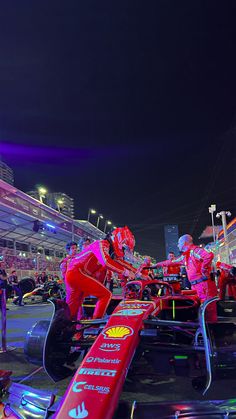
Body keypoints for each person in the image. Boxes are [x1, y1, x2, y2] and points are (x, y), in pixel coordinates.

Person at [65, 226, 136, 322]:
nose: (123, 250)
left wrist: (139, 272)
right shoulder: (102, 244)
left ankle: (72, 333)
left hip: (74, 275)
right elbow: (106, 262)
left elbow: (120, 262)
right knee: (105, 295)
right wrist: (127, 272)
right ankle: (94, 326)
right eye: (123, 247)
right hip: (78, 273)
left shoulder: (106, 249)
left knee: (73, 311)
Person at [151, 234, 217, 322]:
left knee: (208, 310)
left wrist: (203, 269)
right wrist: (156, 265)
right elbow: (171, 262)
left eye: (179, 243)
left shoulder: (195, 251)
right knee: (202, 310)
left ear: (184, 243)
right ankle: (204, 331)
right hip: (195, 286)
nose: (177, 245)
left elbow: (208, 256)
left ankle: (211, 332)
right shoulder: (185, 256)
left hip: (203, 285)